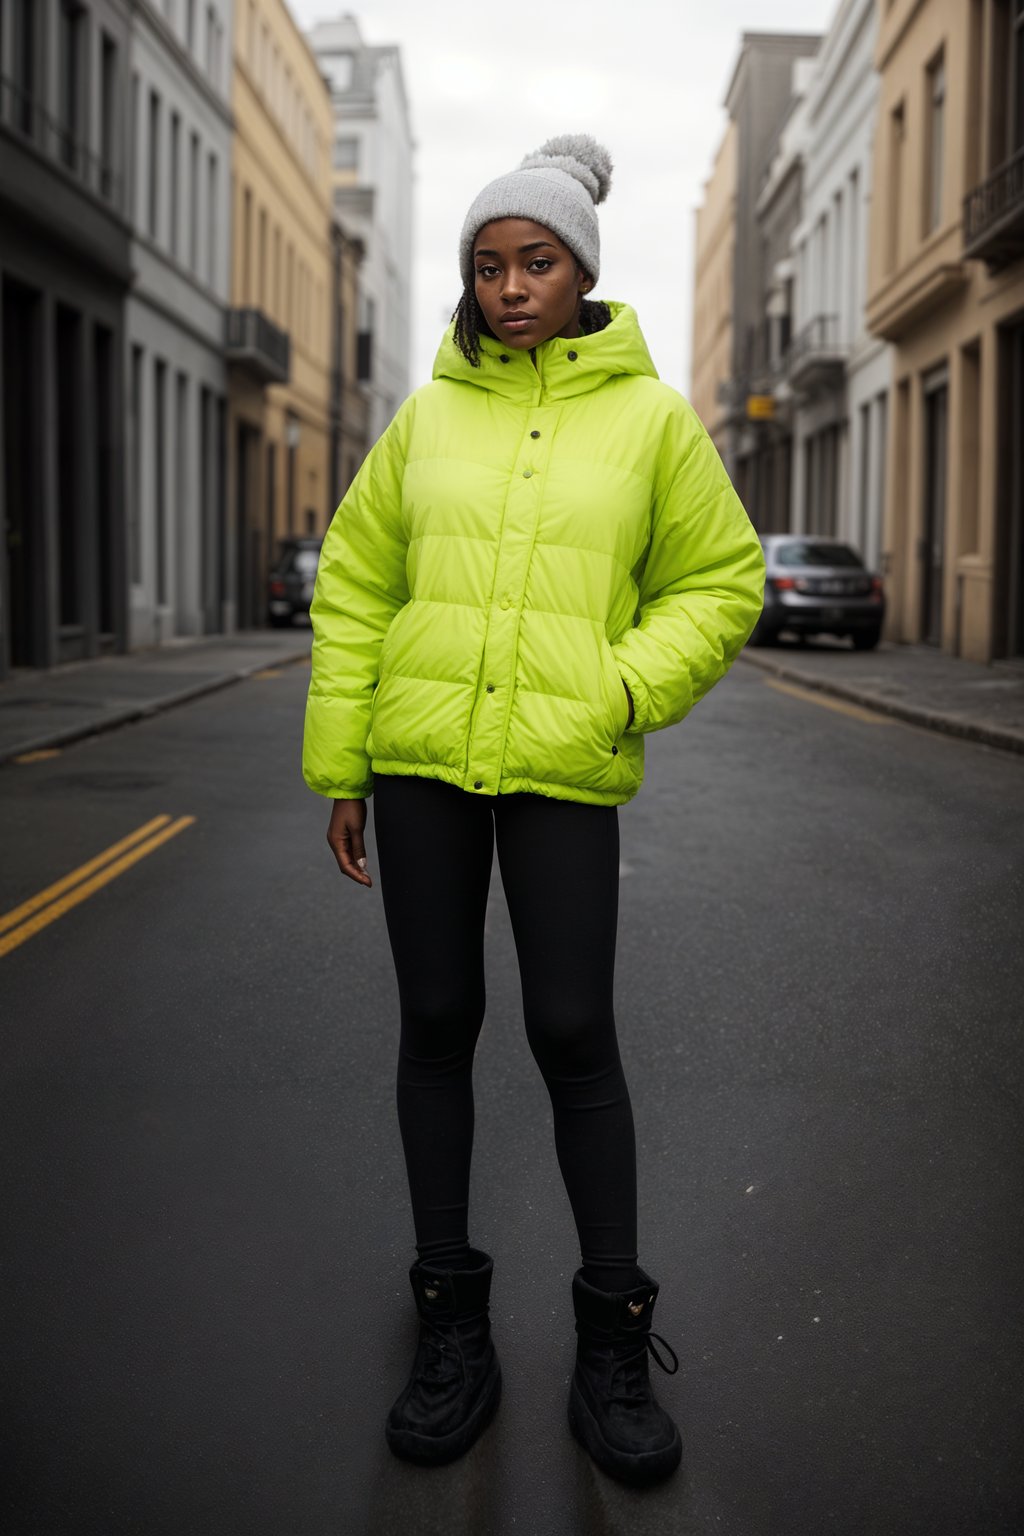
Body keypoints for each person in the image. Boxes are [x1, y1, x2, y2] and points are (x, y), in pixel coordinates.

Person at [302, 134, 765, 1487]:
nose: (511, 287)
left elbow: (722, 582)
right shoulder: (426, 416)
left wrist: (621, 688)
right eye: (490, 265)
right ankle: (453, 1325)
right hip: (422, 762)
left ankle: (613, 1342)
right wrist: (345, 761)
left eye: (537, 262)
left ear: (583, 272)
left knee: (574, 1030)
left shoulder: (654, 422)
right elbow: (355, 582)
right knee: (437, 1022)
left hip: (565, 759)